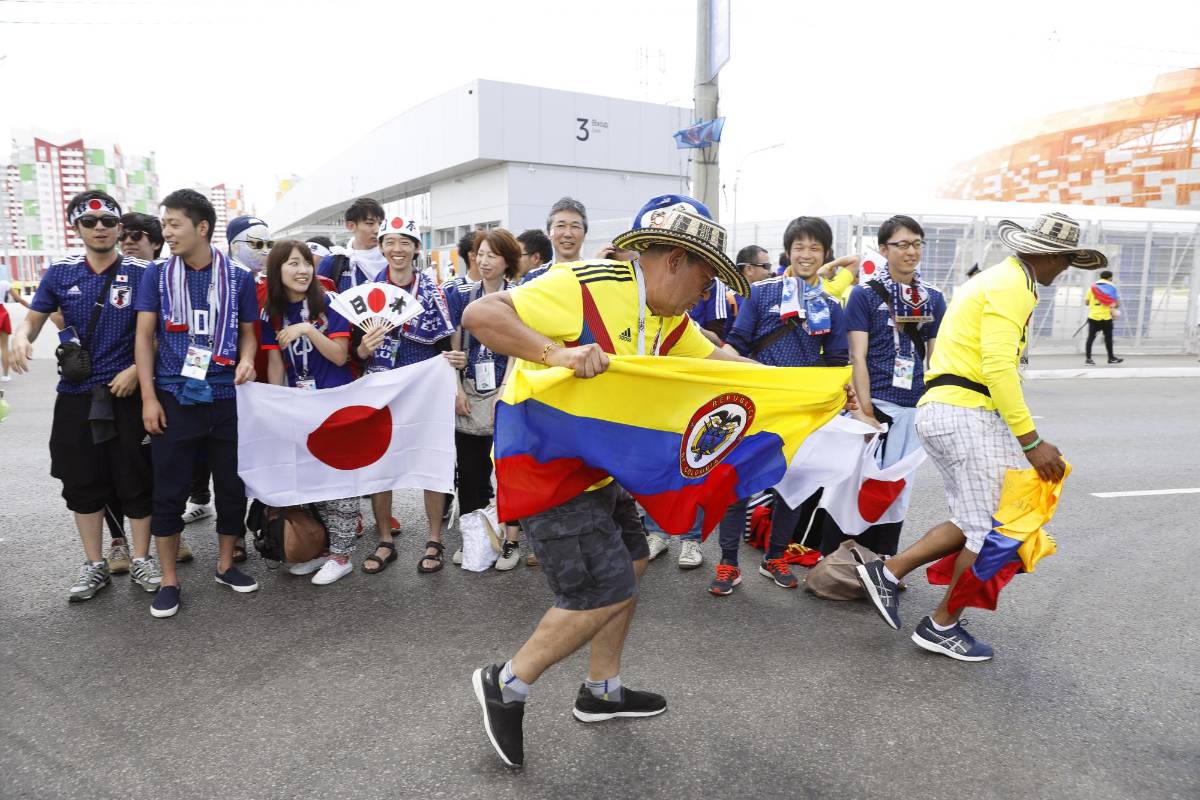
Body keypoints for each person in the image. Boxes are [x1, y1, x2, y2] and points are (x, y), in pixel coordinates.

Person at [463, 194, 754, 769]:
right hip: (544, 458)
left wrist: (817, 391)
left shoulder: (671, 318)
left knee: (633, 558)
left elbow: (728, 363)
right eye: (705, 276)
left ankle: (602, 692)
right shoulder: (586, 281)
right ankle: (508, 683)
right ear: (673, 260)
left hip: (598, 463)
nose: (707, 291)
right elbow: (482, 317)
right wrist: (558, 354)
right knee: (603, 589)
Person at [855, 211, 1093, 661]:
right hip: (967, 413)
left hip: (946, 409)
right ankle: (941, 625)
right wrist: (1030, 441)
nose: (1064, 269)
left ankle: (889, 572)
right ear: (1047, 255)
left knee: (973, 521)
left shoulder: (1002, 279)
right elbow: (999, 368)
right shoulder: (1013, 287)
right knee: (995, 530)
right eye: (1065, 260)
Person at [9, 191, 161, 600]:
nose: (100, 228)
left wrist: (135, 370)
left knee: (137, 478)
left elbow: (162, 332)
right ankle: (95, 564)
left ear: (118, 228)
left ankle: (143, 558)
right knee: (81, 480)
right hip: (76, 394)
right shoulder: (60, 273)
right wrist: (20, 339)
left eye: (108, 222)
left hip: (127, 392)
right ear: (76, 228)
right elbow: (34, 321)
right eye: (89, 223)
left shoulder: (145, 272)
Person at [134, 189, 260, 619]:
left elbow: (248, 332)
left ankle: (226, 565)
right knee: (168, 490)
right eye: (165, 224)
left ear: (201, 227)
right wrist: (149, 397)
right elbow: (144, 338)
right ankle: (169, 580)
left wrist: (246, 358)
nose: (166, 232)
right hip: (175, 394)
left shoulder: (239, 278)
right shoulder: (156, 275)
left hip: (226, 395)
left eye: (174, 224)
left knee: (230, 485)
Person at [716, 216, 852, 596]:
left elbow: (837, 358)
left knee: (792, 485)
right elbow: (738, 341)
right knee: (737, 483)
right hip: (755, 403)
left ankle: (774, 556)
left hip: (801, 410)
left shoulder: (831, 305)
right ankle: (728, 562)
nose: (806, 255)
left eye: (815, 248)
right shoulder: (762, 293)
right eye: (800, 247)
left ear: (825, 254)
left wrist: (832, 394)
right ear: (788, 250)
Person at [355, 213, 457, 575]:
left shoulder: (431, 288)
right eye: (389, 242)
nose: (397, 249)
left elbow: (446, 339)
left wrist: (454, 379)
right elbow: (354, 352)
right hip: (381, 384)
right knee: (380, 462)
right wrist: (365, 347)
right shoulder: (366, 289)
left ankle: (434, 539)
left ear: (416, 248)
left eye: (404, 242)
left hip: (423, 385)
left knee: (431, 460)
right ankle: (385, 540)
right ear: (381, 247)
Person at [842, 215, 947, 557]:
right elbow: (858, 356)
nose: (911, 251)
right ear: (884, 249)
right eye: (902, 244)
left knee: (899, 488)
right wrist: (866, 412)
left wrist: (931, 407)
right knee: (866, 485)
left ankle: (885, 559)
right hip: (879, 405)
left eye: (917, 243)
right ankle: (850, 556)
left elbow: (937, 359)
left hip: (914, 408)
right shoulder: (864, 295)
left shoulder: (933, 298)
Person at [259, 241, 359, 585]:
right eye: (292, 264)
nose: (302, 270)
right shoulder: (270, 312)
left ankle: (343, 555)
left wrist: (307, 329)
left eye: (306, 263)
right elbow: (274, 365)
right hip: (299, 408)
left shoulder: (331, 303)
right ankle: (324, 550)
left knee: (340, 480)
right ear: (277, 271)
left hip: (336, 405)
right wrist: (277, 406)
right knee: (312, 482)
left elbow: (339, 356)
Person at [104, 213, 197, 570]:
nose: (128, 240)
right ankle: (118, 542)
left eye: (138, 235)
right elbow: (65, 317)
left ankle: (168, 533)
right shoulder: (102, 271)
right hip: (104, 387)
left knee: (158, 467)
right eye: (123, 234)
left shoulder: (166, 276)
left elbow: (169, 332)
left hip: (154, 386)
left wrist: (135, 372)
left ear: (157, 242)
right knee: (110, 470)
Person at [445, 229, 520, 569]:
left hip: (508, 391)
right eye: (481, 254)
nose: (485, 260)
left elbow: (521, 347)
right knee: (471, 471)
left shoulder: (519, 295)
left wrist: (506, 389)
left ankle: (511, 542)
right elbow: (455, 346)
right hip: (470, 388)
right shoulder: (463, 295)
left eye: (493, 254)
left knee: (509, 471)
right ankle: (473, 535)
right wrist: (457, 388)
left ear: (507, 261)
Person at [316, 197, 386, 293]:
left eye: (380, 223)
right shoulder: (334, 262)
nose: (377, 230)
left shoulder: (392, 259)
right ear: (351, 226)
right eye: (370, 223)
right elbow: (320, 301)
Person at [520, 196, 587, 284]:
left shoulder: (596, 276)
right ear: (549, 233)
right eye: (560, 226)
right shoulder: (535, 278)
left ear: (584, 234)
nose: (567, 234)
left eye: (575, 226)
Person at [1085, 269, 1123, 365]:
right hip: (1106, 317)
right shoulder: (1112, 287)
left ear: (1100, 277)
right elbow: (1116, 304)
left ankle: (1088, 359)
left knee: (1090, 338)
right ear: (1110, 278)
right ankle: (1111, 358)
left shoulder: (1092, 288)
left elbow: (1086, 302)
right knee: (1108, 339)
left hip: (1093, 317)